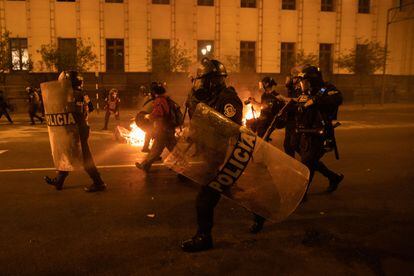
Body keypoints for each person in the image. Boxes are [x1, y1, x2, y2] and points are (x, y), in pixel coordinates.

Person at [181, 57, 243, 252]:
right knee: (235, 192)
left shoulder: (227, 98)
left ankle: (204, 237)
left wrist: (204, 116)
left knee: (204, 201)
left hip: (222, 159)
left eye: (199, 80)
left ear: (210, 80)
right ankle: (260, 213)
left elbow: (231, 129)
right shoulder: (207, 98)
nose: (196, 84)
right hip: (211, 155)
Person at [44, 71, 106, 192]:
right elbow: (91, 107)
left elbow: (72, 112)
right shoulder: (82, 93)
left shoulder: (72, 94)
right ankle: (59, 181)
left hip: (76, 129)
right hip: (80, 127)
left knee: (84, 157)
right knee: (67, 153)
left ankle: (99, 183)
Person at [296, 65, 344, 201]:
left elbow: (338, 99)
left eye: (304, 80)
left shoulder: (327, 89)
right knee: (311, 160)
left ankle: (301, 194)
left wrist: (316, 101)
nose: (302, 84)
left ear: (312, 80)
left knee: (307, 163)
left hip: (321, 133)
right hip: (306, 133)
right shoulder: (306, 92)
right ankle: (333, 177)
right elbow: (299, 107)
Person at [135, 84, 177, 172]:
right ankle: (145, 165)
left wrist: (148, 116)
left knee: (157, 149)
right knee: (166, 149)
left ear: (156, 93)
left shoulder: (160, 100)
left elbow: (159, 113)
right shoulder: (167, 99)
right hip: (168, 128)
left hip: (162, 129)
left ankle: (184, 166)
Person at [283, 73, 302, 157]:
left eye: (294, 78)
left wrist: (284, 99)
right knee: (287, 145)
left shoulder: (301, 89)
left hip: (297, 119)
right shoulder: (291, 89)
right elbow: (287, 84)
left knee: (294, 144)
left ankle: (309, 161)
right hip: (290, 119)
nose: (291, 79)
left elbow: (299, 100)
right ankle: (292, 162)